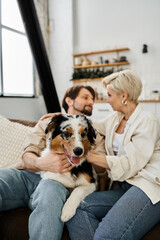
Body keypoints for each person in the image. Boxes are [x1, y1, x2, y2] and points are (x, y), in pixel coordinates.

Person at [0, 85, 105, 240]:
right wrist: (41, 163)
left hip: (57, 184)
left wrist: (88, 151)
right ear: (69, 100)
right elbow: (28, 154)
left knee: (50, 194)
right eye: (85, 97)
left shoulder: (96, 132)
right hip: (27, 176)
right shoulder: (48, 122)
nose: (91, 102)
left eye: (92, 99)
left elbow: (102, 172)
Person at [66, 69, 160, 240]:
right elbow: (90, 124)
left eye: (109, 95)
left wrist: (90, 156)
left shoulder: (147, 120)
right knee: (77, 207)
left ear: (123, 95)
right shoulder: (115, 118)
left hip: (146, 186)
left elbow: (130, 163)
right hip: (124, 186)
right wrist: (60, 117)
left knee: (107, 235)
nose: (106, 100)